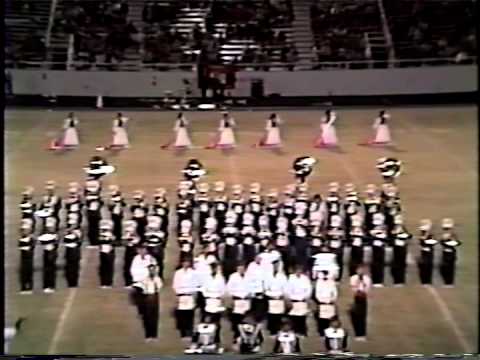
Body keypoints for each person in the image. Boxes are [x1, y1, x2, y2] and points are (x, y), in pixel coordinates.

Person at [132, 264, 163, 341]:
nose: (152, 271)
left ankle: (154, 335)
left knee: (155, 317)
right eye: (150, 269)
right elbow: (140, 287)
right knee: (147, 317)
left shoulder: (158, 279)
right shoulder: (145, 279)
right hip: (147, 297)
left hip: (155, 297)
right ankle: (148, 335)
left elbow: (159, 287)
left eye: (153, 269)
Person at [173, 258, 198, 342]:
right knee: (182, 315)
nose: (186, 264)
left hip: (190, 295)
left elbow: (195, 284)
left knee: (190, 315)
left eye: (187, 262)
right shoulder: (178, 273)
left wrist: (194, 294)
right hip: (181, 295)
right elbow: (175, 284)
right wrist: (177, 294)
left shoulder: (193, 273)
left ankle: (189, 333)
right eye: (184, 262)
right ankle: (183, 333)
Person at [226, 263, 253, 340]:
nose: (241, 269)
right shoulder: (233, 276)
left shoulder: (249, 276)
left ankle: (247, 336)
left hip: (246, 300)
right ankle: (237, 336)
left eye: (243, 268)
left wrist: (250, 294)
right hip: (237, 300)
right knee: (237, 319)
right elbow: (229, 288)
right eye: (239, 268)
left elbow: (252, 287)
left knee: (246, 318)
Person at [286, 265, 312, 336]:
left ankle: (302, 331)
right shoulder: (291, 278)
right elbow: (288, 289)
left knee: (302, 317)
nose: (299, 271)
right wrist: (290, 298)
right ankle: (294, 331)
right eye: (297, 270)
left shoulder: (305, 278)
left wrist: (306, 297)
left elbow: (308, 289)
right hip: (294, 300)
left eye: (300, 270)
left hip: (302, 300)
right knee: (294, 318)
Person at [265, 260, 288, 335]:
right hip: (271, 297)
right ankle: (272, 331)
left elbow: (285, 288)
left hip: (279, 297)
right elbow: (265, 288)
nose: (275, 267)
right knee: (271, 315)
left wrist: (279, 295)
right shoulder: (267, 275)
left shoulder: (282, 276)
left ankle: (279, 330)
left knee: (279, 315)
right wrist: (271, 295)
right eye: (274, 265)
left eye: (277, 266)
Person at [349, 265, 371, 341]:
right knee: (355, 316)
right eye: (359, 270)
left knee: (362, 317)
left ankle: (362, 334)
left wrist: (362, 290)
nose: (360, 271)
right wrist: (357, 290)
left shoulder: (367, 278)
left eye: (362, 270)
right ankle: (357, 333)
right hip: (356, 298)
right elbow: (353, 287)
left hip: (363, 298)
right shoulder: (353, 278)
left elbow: (367, 288)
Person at [314, 271, 338, 337]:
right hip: (322, 303)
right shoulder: (319, 282)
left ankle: (330, 332)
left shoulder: (331, 282)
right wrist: (322, 300)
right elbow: (317, 293)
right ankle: (322, 332)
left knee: (330, 318)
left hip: (330, 303)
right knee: (322, 318)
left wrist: (331, 300)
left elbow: (335, 293)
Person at [38, 217, 58, 293]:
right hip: (46, 253)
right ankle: (46, 285)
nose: (50, 228)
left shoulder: (54, 235)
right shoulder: (45, 234)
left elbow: (54, 243)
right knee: (46, 270)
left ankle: (51, 285)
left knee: (51, 270)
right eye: (48, 227)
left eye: (51, 227)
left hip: (52, 253)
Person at [390, 214, 412, 286]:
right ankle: (396, 281)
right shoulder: (393, 228)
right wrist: (397, 234)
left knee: (402, 265)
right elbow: (392, 236)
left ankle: (401, 280)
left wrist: (402, 234)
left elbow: (409, 235)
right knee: (396, 265)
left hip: (402, 248)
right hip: (396, 248)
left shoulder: (403, 228)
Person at [439, 218, 461, 287]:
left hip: (451, 253)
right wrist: (444, 240)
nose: (446, 229)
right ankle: (446, 282)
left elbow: (458, 243)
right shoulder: (444, 235)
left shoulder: (453, 235)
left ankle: (449, 283)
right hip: (445, 253)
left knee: (450, 268)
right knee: (443, 267)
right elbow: (441, 243)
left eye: (447, 228)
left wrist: (449, 240)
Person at [417, 219, 438, 285]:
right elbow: (422, 241)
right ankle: (424, 281)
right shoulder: (422, 235)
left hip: (429, 252)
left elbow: (433, 242)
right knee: (423, 266)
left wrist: (427, 237)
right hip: (424, 252)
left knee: (429, 266)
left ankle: (428, 281)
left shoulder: (430, 235)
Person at [63, 218, 82, 288]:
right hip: (69, 252)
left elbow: (79, 241)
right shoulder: (67, 232)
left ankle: (75, 283)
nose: (71, 226)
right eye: (70, 224)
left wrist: (73, 232)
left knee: (75, 268)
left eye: (73, 224)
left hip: (75, 252)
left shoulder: (78, 232)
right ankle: (70, 282)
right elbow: (65, 240)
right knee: (69, 268)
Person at [18, 219, 35, 294]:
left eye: (25, 230)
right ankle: (23, 288)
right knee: (23, 273)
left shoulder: (31, 239)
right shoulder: (21, 239)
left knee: (29, 273)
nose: (24, 231)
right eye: (23, 230)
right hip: (23, 259)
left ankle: (30, 287)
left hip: (29, 259)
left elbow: (31, 247)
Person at [98, 220, 115, 288]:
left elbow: (113, 243)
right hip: (103, 253)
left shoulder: (111, 236)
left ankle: (109, 283)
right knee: (103, 268)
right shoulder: (101, 236)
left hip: (109, 253)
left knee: (109, 268)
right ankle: (103, 283)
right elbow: (100, 242)